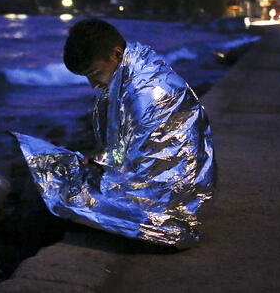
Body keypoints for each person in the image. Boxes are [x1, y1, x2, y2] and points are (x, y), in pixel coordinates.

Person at [12, 18, 216, 248]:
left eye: (94, 73)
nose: (93, 84)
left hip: (165, 212)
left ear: (117, 54)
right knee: (50, 172)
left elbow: (139, 172)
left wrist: (98, 173)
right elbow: (131, 151)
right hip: (177, 194)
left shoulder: (144, 93)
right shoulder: (136, 70)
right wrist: (100, 161)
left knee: (50, 186)